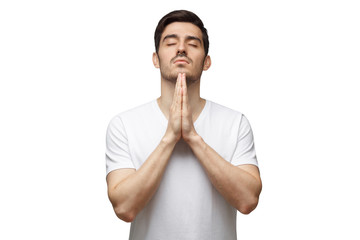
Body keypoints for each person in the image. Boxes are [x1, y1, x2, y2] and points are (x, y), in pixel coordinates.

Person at [105, 10, 262, 240]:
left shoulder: (235, 123)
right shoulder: (123, 125)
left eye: (193, 44)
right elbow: (124, 208)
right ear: (155, 59)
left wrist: (193, 137)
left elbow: (248, 200)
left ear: (206, 62)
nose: (181, 49)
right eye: (170, 42)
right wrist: (169, 138)